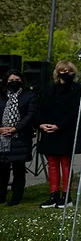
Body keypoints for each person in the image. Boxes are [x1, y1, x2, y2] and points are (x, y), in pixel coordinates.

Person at [38, 61, 81, 209]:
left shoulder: (77, 89)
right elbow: (42, 108)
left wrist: (59, 125)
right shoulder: (50, 89)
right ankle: (53, 195)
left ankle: (66, 196)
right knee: (52, 164)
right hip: (49, 131)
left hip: (66, 131)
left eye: (69, 71)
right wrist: (41, 124)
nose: (66, 73)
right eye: (63, 70)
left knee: (65, 163)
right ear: (57, 73)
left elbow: (76, 111)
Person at [0, 70, 38, 206]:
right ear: (6, 82)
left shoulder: (29, 96)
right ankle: (1, 195)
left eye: (17, 79)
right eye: (10, 80)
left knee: (18, 168)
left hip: (20, 136)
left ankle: (16, 196)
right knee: (2, 167)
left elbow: (31, 114)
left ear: (22, 81)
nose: (14, 82)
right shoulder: (2, 96)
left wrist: (16, 128)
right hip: (2, 137)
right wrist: (1, 129)